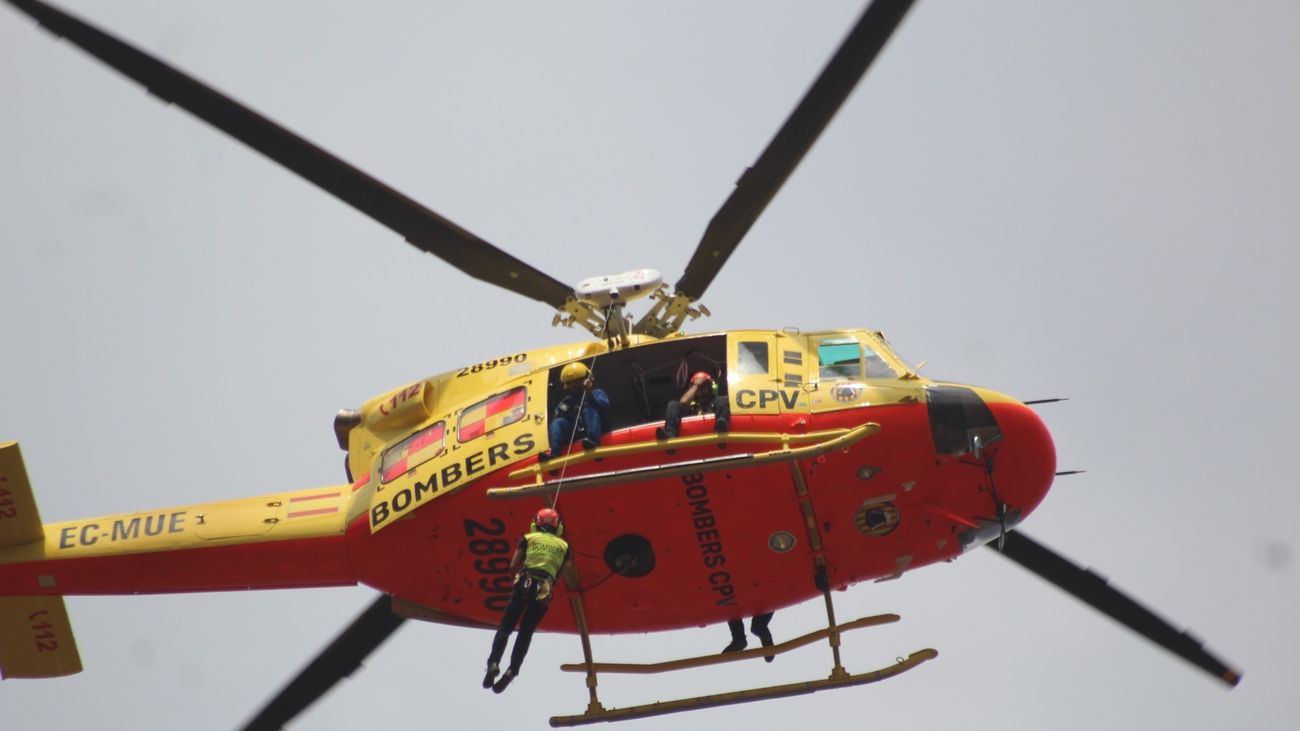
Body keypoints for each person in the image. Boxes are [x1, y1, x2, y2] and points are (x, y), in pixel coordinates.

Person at [483, 507, 571, 693]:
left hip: (524, 582)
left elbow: (513, 565)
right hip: (544, 589)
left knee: (506, 627)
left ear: (535, 524)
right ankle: (512, 671)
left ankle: (493, 664)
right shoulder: (564, 547)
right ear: (558, 528)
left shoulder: (528, 538)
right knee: (526, 633)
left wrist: (515, 581)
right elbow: (559, 574)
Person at [543, 361, 610, 459]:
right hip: (576, 432)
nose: (575, 384)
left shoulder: (597, 393)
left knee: (589, 411)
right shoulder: (566, 403)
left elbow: (604, 407)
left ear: (587, 379)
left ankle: (594, 443)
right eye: (571, 382)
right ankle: (554, 454)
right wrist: (563, 412)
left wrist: (589, 394)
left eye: (579, 380)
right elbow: (557, 420)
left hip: (598, 428)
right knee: (557, 422)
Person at [656, 371, 729, 441]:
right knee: (673, 404)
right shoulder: (690, 406)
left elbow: (722, 403)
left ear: (710, 388)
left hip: (716, 440)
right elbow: (683, 402)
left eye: (703, 386)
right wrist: (696, 385)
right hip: (690, 441)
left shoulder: (718, 402)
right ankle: (670, 438)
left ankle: (721, 435)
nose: (700, 391)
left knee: (723, 399)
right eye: (698, 388)